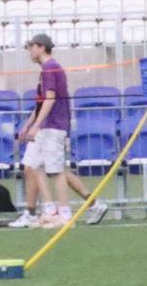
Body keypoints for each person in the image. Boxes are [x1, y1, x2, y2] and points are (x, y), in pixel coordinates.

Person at [11, 34, 91, 228]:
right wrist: (29, 125)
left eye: (31, 46)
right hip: (45, 125)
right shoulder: (46, 70)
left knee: (55, 170)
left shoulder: (50, 68)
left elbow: (50, 98)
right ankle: (49, 210)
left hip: (54, 125)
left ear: (41, 47)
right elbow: (40, 103)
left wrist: (36, 125)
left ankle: (65, 215)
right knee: (34, 164)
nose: (29, 51)